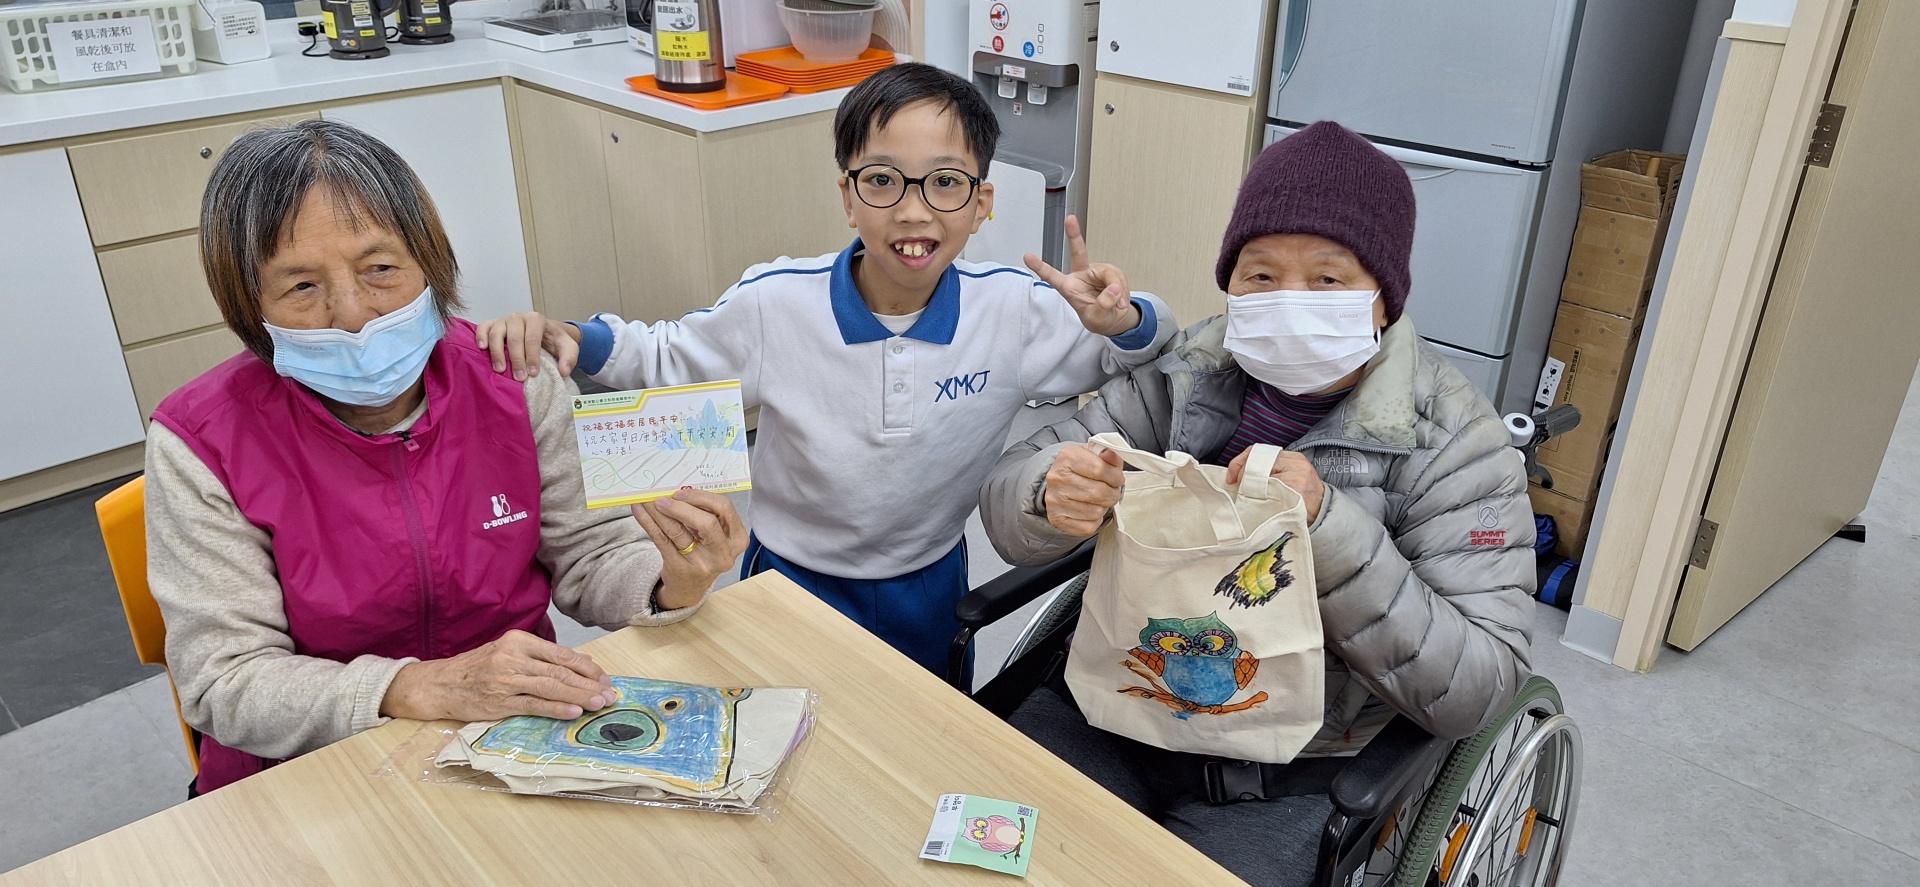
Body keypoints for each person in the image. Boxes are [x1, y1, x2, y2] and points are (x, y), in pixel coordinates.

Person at [475, 63, 1177, 673]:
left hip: (929, 577)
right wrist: (572, 335)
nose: (913, 211)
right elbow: (668, 355)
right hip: (790, 575)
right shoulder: (777, 301)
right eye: (883, 180)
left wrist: (1124, 319)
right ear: (847, 196)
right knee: (791, 728)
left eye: (945, 182)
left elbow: (1140, 354)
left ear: (981, 204)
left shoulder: (1015, 310)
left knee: (926, 733)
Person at [978, 122, 1536, 887]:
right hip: (1117, 697)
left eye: (1328, 279)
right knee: (972, 856)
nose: (1290, 300)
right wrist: (1049, 491)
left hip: (1293, 766)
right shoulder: (1186, 371)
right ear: (1231, 282)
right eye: (1262, 273)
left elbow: (1478, 684)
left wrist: (1329, 531)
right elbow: (1008, 489)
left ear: (1382, 297)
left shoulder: (1458, 441)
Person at [145, 119, 748, 795]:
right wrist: (417, 686)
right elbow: (225, 680)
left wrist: (671, 581)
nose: (353, 313)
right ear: (248, 306)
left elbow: (589, 554)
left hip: (509, 739)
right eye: (301, 287)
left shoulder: (515, 377)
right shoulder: (201, 440)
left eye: (380, 269)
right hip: (310, 771)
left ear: (430, 263)